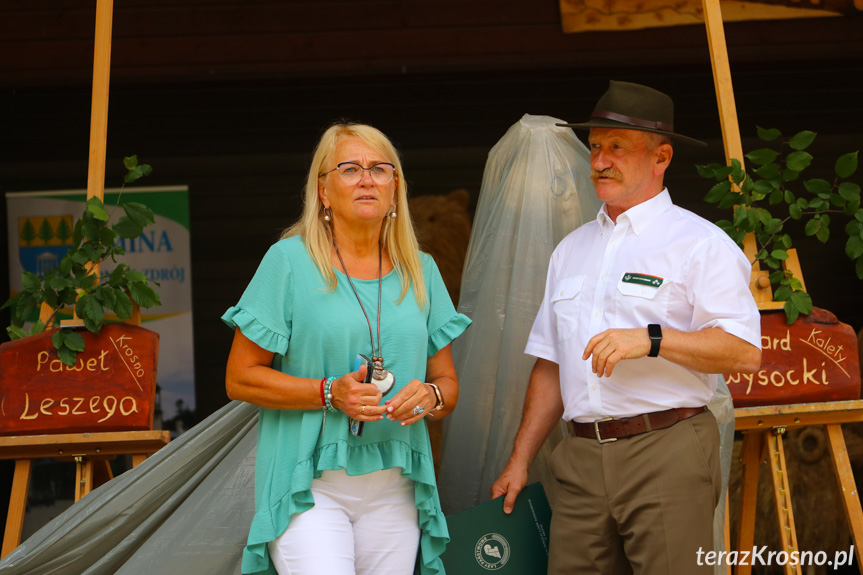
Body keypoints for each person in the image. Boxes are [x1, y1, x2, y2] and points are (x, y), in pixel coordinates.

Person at [491, 81, 762, 574]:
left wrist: (652, 340)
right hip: (579, 459)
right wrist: (520, 459)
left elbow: (743, 352)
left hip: (668, 447)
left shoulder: (700, 242)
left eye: (617, 147)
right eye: (595, 146)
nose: (598, 161)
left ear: (661, 158)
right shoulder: (569, 250)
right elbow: (551, 363)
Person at [223, 122, 471, 575]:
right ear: (323, 190)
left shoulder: (422, 270)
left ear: (395, 189)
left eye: (380, 169)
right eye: (350, 168)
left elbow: (448, 384)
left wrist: (430, 397)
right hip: (310, 483)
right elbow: (239, 377)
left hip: (395, 485)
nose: (367, 179)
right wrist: (328, 393)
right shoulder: (289, 262)